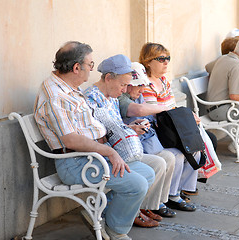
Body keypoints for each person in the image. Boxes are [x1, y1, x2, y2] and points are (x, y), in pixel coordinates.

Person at [34, 41, 154, 240]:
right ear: (76, 68)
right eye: (90, 65)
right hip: (75, 162)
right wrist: (110, 152)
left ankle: (99, 216)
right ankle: (116, 232)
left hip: (92, 157)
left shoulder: (69, 88)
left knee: (147, 173)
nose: (91, 69)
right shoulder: (55, 95)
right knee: (137, 185)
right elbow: (70, 140)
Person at [83, 54, 177, 228]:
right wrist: (126, 131)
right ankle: (115, 215)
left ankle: (126, 210)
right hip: (105, 157)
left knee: (157, 164)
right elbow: (97, 137)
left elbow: (115, 127)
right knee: (150, 169)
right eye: (123, 84)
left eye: (127, 85)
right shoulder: (91, 98)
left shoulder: (111, 96)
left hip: (119, 151)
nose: (125, 90)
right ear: (109, 78)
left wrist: (131, 127)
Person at [139, 42, 206, 210]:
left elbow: (172, 108)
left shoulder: (163, 81)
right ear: (148, 62)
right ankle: (172, 194)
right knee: (178, 153)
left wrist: (188, 118)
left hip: (171, 126)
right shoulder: (145, 84)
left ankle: (182, 189)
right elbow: (158, 113)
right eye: (161, 59)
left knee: (198, 144)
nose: (166, 62)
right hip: (158, 130)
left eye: (167, 58)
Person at [119, 62, 179, 218]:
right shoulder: (121, 97)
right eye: (138, 85)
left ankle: (155, 203)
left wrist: (145, 122)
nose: (141, 89)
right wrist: (165, 109)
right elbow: (137, 111)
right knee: (161, 161)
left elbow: (144, 111)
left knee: (170, 157)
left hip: (143, 142)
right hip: (129, 148)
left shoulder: (137, 95)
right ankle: (144, 206)